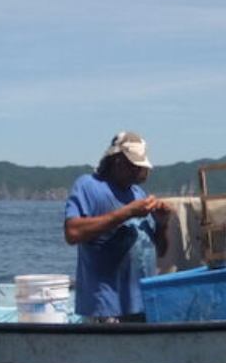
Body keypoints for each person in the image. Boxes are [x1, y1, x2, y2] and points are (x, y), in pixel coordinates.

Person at [64, 131, 170, 322]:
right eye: (134, 166)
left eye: (141, 167)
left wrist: (162, 224)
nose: (140, 172)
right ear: (117, 161)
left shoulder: (138, 193)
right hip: (107, 309)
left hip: (142, 304)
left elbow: (160, 251)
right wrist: (126, 212)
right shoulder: (88, 186)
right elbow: (72, 232)